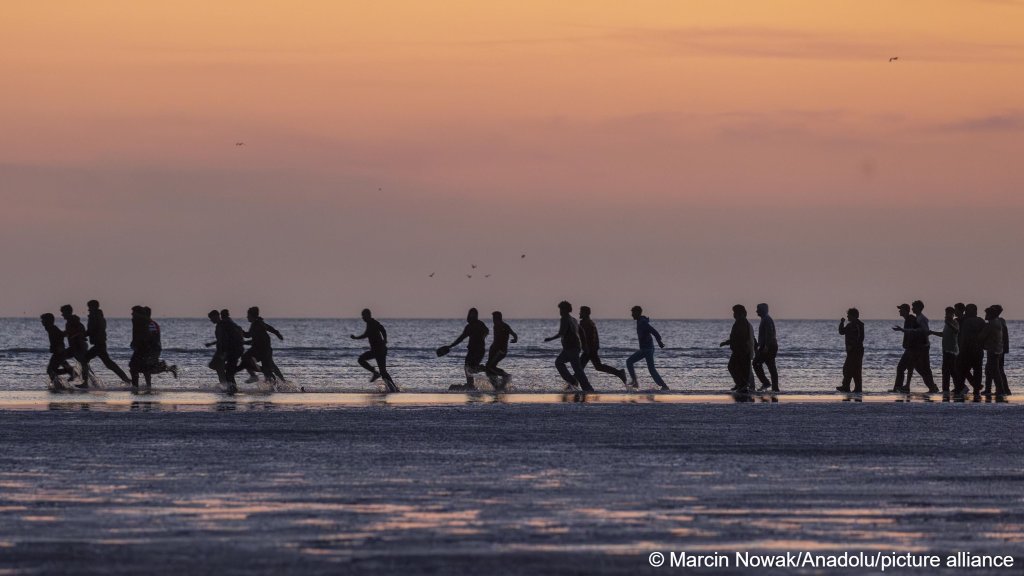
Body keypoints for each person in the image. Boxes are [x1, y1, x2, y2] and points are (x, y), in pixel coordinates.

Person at [544, 301, 593, 392]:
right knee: (567, 365)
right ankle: (578, 383)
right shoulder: (573, 319)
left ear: (566, 310)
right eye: (560, 309)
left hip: (571, 348)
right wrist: (584, 345)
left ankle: (583, 386)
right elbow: (581, 332)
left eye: (561, 309)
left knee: (573, 368)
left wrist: (550, 339)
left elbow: (561, 333)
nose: (560, 311)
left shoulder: (565, 319)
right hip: (573, 347)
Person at [892, 300, 939, 393]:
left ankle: (899, 387)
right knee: (919, 369)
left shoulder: (915, 319)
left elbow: (923, 332)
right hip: (916, 347)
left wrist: (903, 330)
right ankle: (931, 387)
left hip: (918, 348)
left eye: (901, 309)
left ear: (906, 310)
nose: (899, 311)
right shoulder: (915, 318)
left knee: (910, 367)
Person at [82, 300, 131, 385]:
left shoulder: (95, 316)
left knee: (84, 360)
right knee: (109, 364)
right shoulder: (98, 316)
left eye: (90, 307)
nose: (89, 309)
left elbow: (93, 329)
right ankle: (126, 380)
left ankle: (86, 383)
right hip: (100, 344)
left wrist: (82, 335)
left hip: (99, 344)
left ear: (94, 307)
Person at [352, 309, 398, 392]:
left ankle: (393, 388)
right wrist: (356, 338)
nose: (362, 318)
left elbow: (383, 329)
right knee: (362, 360)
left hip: (380, 350)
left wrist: (385, 339)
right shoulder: (369, 324)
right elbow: (366, 335)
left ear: (368, 315)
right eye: (362, 316)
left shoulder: (373, 323)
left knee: (383, 372)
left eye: (364, 316)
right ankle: (392, 388)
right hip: (376, 350)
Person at [578, 306, 627, 386]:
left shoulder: (585, 323)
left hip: (589, 350)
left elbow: (589, 337)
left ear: (586, 313)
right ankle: (619, 373)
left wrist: (587, 348)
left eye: (581, 312)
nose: (579, 313)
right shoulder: (589, 322)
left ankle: (574, 384)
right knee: (596, 367)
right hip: (592, 349)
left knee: (580, 368)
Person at [445, 308, 489, 391]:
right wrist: (451, 346)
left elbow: (487, 330)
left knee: (472, 367)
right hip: (471, 350)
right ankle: (470, 384)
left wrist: (483, 336)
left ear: (476, 315)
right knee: (467, 367)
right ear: (469, 315)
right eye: (471, 314)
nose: (472, 316)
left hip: (479, 350)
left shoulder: (480, 324)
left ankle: (485, 369)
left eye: (474, 314)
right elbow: (461, 338)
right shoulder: (469, 327)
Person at [625, 305, 668, 390]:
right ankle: (664, 386)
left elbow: (654, 331)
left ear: (637, 313)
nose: (632, 315)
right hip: (648, 348)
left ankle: (635, 382)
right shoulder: (640, 321)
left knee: (629, 361)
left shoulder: (642, 322)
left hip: (647, 349)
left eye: (633, 313)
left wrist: (659, 342)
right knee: (651, 369)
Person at [243, 306, 285, 384]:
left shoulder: (257, 324)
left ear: (252, 316)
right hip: (264, 349)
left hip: (263, 350)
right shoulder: (259, 323)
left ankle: (256, 376)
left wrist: (239, 331)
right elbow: (256, 338)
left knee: (246, 358)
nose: (247, 317)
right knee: (271, 366)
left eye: (248, 315)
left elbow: (248, 335)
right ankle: (280, 382)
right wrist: (278, 334)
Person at [720, 304, 755, 393]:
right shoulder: (741, 322)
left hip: (741, 350)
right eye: (734, 312)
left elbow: (739, 337)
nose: (734, 314)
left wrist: (728, 342)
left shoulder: (741, 322)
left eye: (735, 312)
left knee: (732, 367)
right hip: (740, 350)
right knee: (739, 368)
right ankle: (740, 384)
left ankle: (742, 385)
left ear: (741, 313)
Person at [955, 304, 986, 395]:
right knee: (976, 369)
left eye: (967, 310)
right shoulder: (980, 321)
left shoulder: (967, 321)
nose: (966, 312)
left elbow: (964, 337)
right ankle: (975, 388)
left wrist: (960, 348)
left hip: (968, 349)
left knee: (963, 368)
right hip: (978, 349)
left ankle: (971, 386)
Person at [60, 304, 92, 388]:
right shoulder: (70, 322)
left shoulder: (73, 321)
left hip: (79, 346)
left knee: (83, 363)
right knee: (60, 358)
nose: (62, 315)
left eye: (63, 313)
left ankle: (84, 383)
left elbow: (81, 330)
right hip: (74, 347)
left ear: (68, 312)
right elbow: (69, 332)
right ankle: (74, 374)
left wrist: (75, 336)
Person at [485, 311, 518, 391]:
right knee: (488, 369)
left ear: (499, 318)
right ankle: (497, 387)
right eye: (493, 318)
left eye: (494, 318)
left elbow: (514, 334)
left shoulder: (505, 326)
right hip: (493, 350)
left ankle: (505, 376)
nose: (493, 320)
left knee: (490, 366)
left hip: (501, 351)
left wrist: (515, 339)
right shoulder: (495, 326)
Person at [929, 306, 959, 394]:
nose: (947, 315)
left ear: (953, 314)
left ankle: (957, 388)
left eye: (949, 313)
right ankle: (947, 389)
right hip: (946, 349)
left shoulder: (954, 322)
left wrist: (949, 323)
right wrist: (932, 332)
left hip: (952, 350)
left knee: (950, 370)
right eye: (946, 313)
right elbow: (943, 334)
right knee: (947, 370)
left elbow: (956, 331)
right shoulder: (947, 324)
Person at [41, 313, 75, 388]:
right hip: (59, 352)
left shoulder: (52, 328)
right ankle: (60, 383)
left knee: (50, 370)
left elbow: (61, 335)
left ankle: (69, 373)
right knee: (52, 370)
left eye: (43, 320)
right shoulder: (51, 328)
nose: (42, 322)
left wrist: (57, 347)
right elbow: (61, 335)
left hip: (59, 352)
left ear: (48, 321)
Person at [981, 306, 1009, 396]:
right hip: (998, 349)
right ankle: (991, 389)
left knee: (996, 370)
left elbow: (981, 336)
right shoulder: (998, 322)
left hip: (994, 350)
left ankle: (1000, 390)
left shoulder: (992, 324)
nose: (985, 315)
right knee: (991, 369)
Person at [836, 308, 865, 393]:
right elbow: (841, 332)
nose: (847, 316)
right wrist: (841, 323)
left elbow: (860, 338)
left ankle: (854, 388)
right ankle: (848, 387)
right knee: (849, 369)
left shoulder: (859, 325)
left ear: (854, 316)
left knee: (852, 369)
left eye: (849, 315)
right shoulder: (849, 325)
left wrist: (852, 346)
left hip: (856, 351)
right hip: (851, 351)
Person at [753, 303, 780, 392]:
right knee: (771, 366)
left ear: (763, 310)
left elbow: (770, 334)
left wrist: (766, 347)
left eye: (758, 309)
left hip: (769, 346)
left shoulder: (767, 319)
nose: (756, 311)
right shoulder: (765, 319)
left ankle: (766, 383)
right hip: (768, 346)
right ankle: (774, 388)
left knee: (756, 363)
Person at [203, 310, 229, 387]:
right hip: (220, 350)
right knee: (216, 367)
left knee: (218, 367)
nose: (211, 320)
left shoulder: (221, 326)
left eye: (212, 318)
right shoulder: (219, 326)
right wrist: (211, 344)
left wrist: (223, 352)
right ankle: (224, 383)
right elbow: (220, 339)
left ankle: (225, 384)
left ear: (216, 316)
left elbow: (223, 339)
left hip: (222, 350)